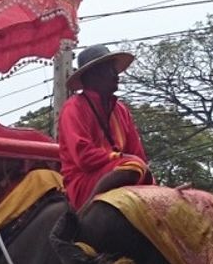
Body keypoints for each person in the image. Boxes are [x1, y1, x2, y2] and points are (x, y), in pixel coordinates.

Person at [57, 45, 151, 211]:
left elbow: (138, 155)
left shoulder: (121, 110)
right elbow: (84, 157)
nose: (116, 75)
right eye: (109, 70)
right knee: (133, 165)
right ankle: (84, 212)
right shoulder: (74, 107)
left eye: (114, 69)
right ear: (92, 75)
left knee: (143, 171)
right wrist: (119, 158)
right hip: (84, 181)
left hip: (122, 168)